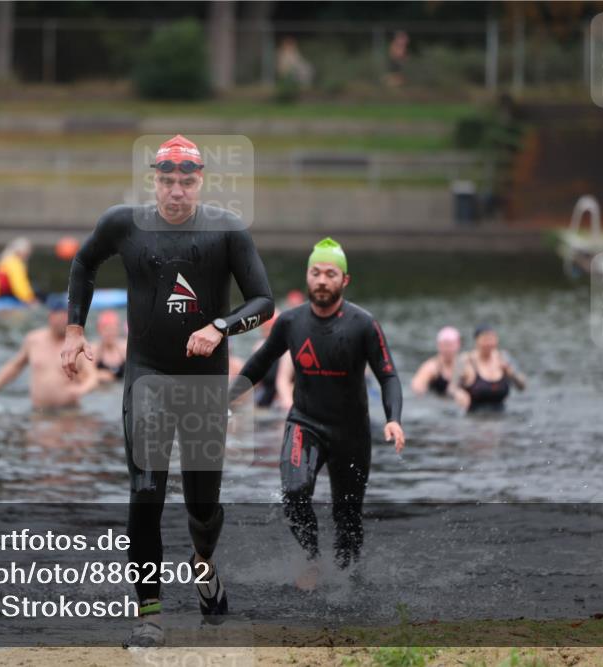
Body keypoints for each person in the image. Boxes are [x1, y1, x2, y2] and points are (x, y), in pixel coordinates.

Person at [60, 134, 274, 647]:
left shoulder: (226, 230)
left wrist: (220, 326)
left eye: (187, 180)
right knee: (145, 493)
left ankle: (203, 564)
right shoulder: (124, 223)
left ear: (200, 180)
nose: (176, 191)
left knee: (203, 507)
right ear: (154, 179)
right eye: (167, 180)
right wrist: (74, 329)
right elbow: (84, 263)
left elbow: (263, 303)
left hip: (203, 385)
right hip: (148, 376)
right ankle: (149, 615)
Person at [230, 238, 404, 589]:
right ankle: (310, 559)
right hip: (304, 422)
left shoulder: (363, 324)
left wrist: (393, 418)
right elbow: (260, 362)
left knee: (348, 518)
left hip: (351, 433)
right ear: (307, 277)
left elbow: (387, 374)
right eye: (315, 272)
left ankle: (346, 582)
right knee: (294, 492)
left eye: (330, 273)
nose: (322, 280)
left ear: (344, 281)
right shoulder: (291, 322)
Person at [0, 295, 97, 409]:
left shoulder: (77, 344)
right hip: (39, 412)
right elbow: (14, 367)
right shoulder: (34, 340)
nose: (63, 320)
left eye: (66, 316)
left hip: (69, 412)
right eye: (59, 316)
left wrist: (82, 389)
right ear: (51, 316)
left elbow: (92, 377)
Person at [452, 324, 527, 413]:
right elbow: (451, 387)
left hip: (501, 414)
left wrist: (512, 374)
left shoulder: (503, 357)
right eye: (485, 340)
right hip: (474, 416)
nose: (489, 344)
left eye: (491, 339)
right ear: (476, 341)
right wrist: (458, 393)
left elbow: (522, 387)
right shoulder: (465, 360)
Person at [410, 326, 461, 397]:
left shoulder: (464, 364)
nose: (448, 349)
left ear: (458, 345)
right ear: (439, 345)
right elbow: (417, 385)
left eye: (450, 345)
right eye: (445, 345)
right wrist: (420, 388)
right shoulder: (432, 366)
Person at [0, 237, 36, 302]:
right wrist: (30, 299)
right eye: (27, 251)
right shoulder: (15, 263)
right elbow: (19, 284)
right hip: (9, 297)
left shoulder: (3, 260)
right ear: (20, 251)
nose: (29, 254)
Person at [92, 309, 127, 383]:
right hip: (101, 392)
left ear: (117, 330)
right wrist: (97, 375)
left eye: (113, 330)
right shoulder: (94, 351)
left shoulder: (125, 348)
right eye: (107, 330)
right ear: (99, 330)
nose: (110, 333)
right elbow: (82, 375)